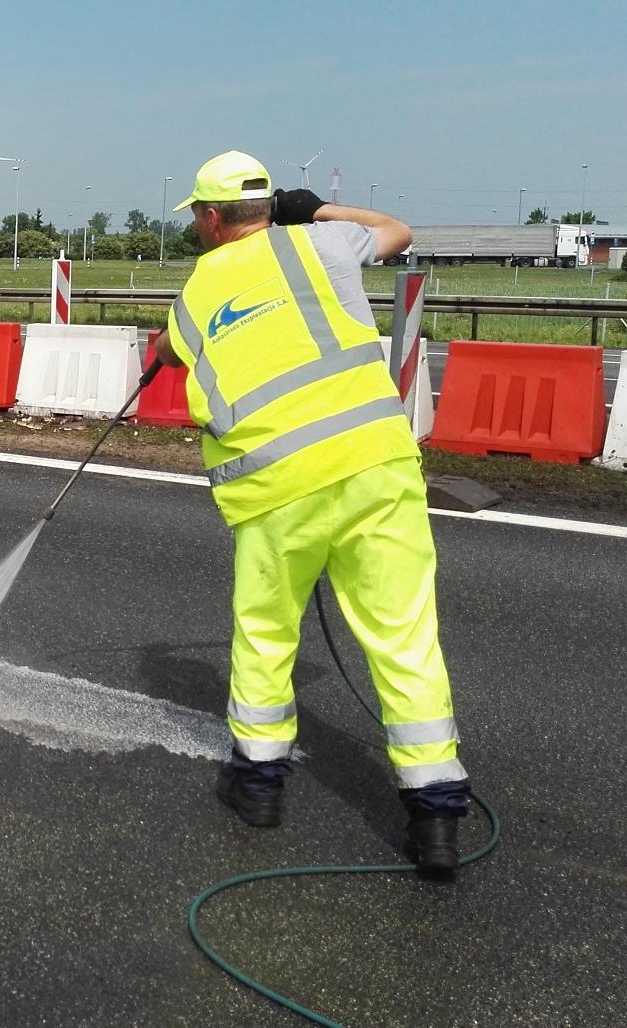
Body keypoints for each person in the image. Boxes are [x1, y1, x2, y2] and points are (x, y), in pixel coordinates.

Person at [155, 150, 469, 875]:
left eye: (197, 217)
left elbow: (169, 353)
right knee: (403, 637)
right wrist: (317, 210)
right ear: (269, 207)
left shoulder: (196, 292)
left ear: (208, 216)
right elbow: (397, 230)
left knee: (265, 635)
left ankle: (258, 786)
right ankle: (434, 814)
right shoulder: (321, 243)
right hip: (374, 469)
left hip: (273, 490)